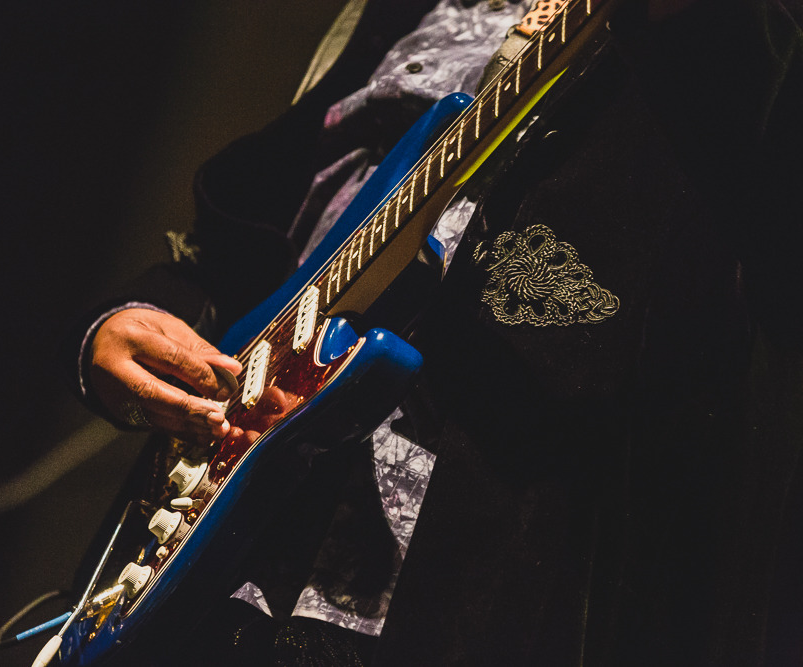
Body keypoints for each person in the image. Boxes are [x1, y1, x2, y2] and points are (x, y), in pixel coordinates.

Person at [63, 0, 803, 664]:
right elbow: (234, 242)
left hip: (465, 595)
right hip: (211, 568)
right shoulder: (404, 16)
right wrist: (130, 317)